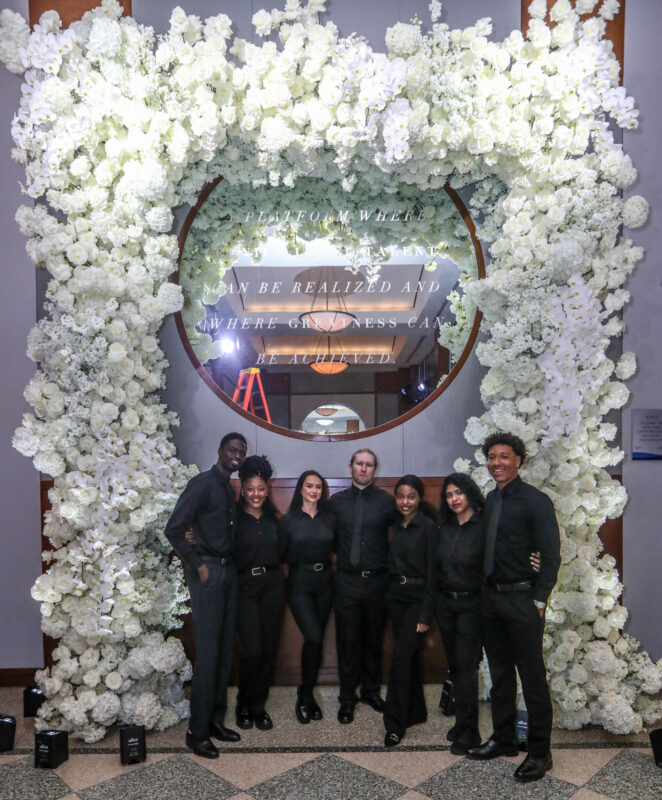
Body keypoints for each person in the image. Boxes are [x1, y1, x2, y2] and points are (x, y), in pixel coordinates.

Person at [468, 432, 561, 783]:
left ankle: (540, 753)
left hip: (523, 600)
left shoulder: (536, 501)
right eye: (492, 457)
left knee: (532, 679)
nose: (496, 463)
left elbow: (550, 554)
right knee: (500, 676)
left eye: (504, 456)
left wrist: (540, 598)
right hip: (491, 599)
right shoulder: (491, 499)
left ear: (518, 460)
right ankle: (504, 739)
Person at [164, 433, 247, 759]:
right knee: (209, 656)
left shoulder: (228, 487)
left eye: (241, 451)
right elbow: (174, 529)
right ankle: (196, 733)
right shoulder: (201, 483)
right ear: (220, 450)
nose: (236, 455)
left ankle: (214, 722)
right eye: (232, 449)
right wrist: (197, 564)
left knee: (225, 653)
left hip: (228, 574)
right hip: (208, 574)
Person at [330, 448, 397, 724]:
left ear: (374, 470)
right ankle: (347, 698)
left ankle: (371, 691)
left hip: (377, 582)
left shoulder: (387, 502)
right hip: (346, 580)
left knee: (373, 640)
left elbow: (406, 529)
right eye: (359, 463)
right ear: (351, 466)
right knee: (347, 642)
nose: (364, 468)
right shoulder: (335, 502)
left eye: (369, 465)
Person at [383, 475, 438, 747]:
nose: (405, 502)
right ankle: (415, 712)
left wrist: (426, 615)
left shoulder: (429, 528)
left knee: (401, 658)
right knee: (410, 657)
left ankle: (394, 723)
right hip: (397, 599)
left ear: (419, 498)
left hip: (418, 600)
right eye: (400, 496)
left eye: (411, 496)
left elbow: (433, 575)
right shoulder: (395, 525)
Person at [278, 470, 335, 724]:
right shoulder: (288, 520)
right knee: (313, 636)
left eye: (318, 487)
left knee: (316, 642)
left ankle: (307, 694)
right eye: (309, 486)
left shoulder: (330, 519)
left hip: (325, 582)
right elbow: (278, 554)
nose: (314, 490)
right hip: (299, 583)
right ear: (300, 488)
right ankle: (304, 694)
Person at [435, 472, 486, 755]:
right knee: (455, 667)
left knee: (466, 669)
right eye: (449, 495)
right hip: (446, 605)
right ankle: (462, 723)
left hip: (472, 606)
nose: (454, 499)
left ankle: (471, 732)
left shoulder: (483, 526)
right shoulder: (444, 528)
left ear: (469, 493)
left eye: (459, 493)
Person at [232, 455, 285, 732]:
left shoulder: (274, 519)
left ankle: (258, 707)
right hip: (245, 589)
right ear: (242, 488)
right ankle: (243, 704)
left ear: (268, 489)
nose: (256, 494)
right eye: (251, 488)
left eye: (261, 489)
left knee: (267, 650)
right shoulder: (233, 519)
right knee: (252, 650)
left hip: (273, 586)